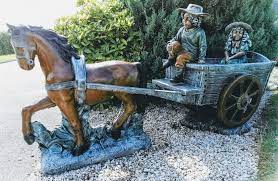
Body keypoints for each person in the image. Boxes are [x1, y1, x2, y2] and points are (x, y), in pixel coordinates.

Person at [163, 4, 209, 83]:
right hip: (182, 50)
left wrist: (201, 59)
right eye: (184, 19)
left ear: (195, 21)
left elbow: (203, 46)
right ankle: (170, 59)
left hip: (191, 54)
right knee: (174, 44)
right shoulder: (182, 29)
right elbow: (176, 38)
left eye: (187, 20)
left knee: (181, 58)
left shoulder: (200, 32)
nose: (184, 22)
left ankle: (178, 76)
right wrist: (170, 43)